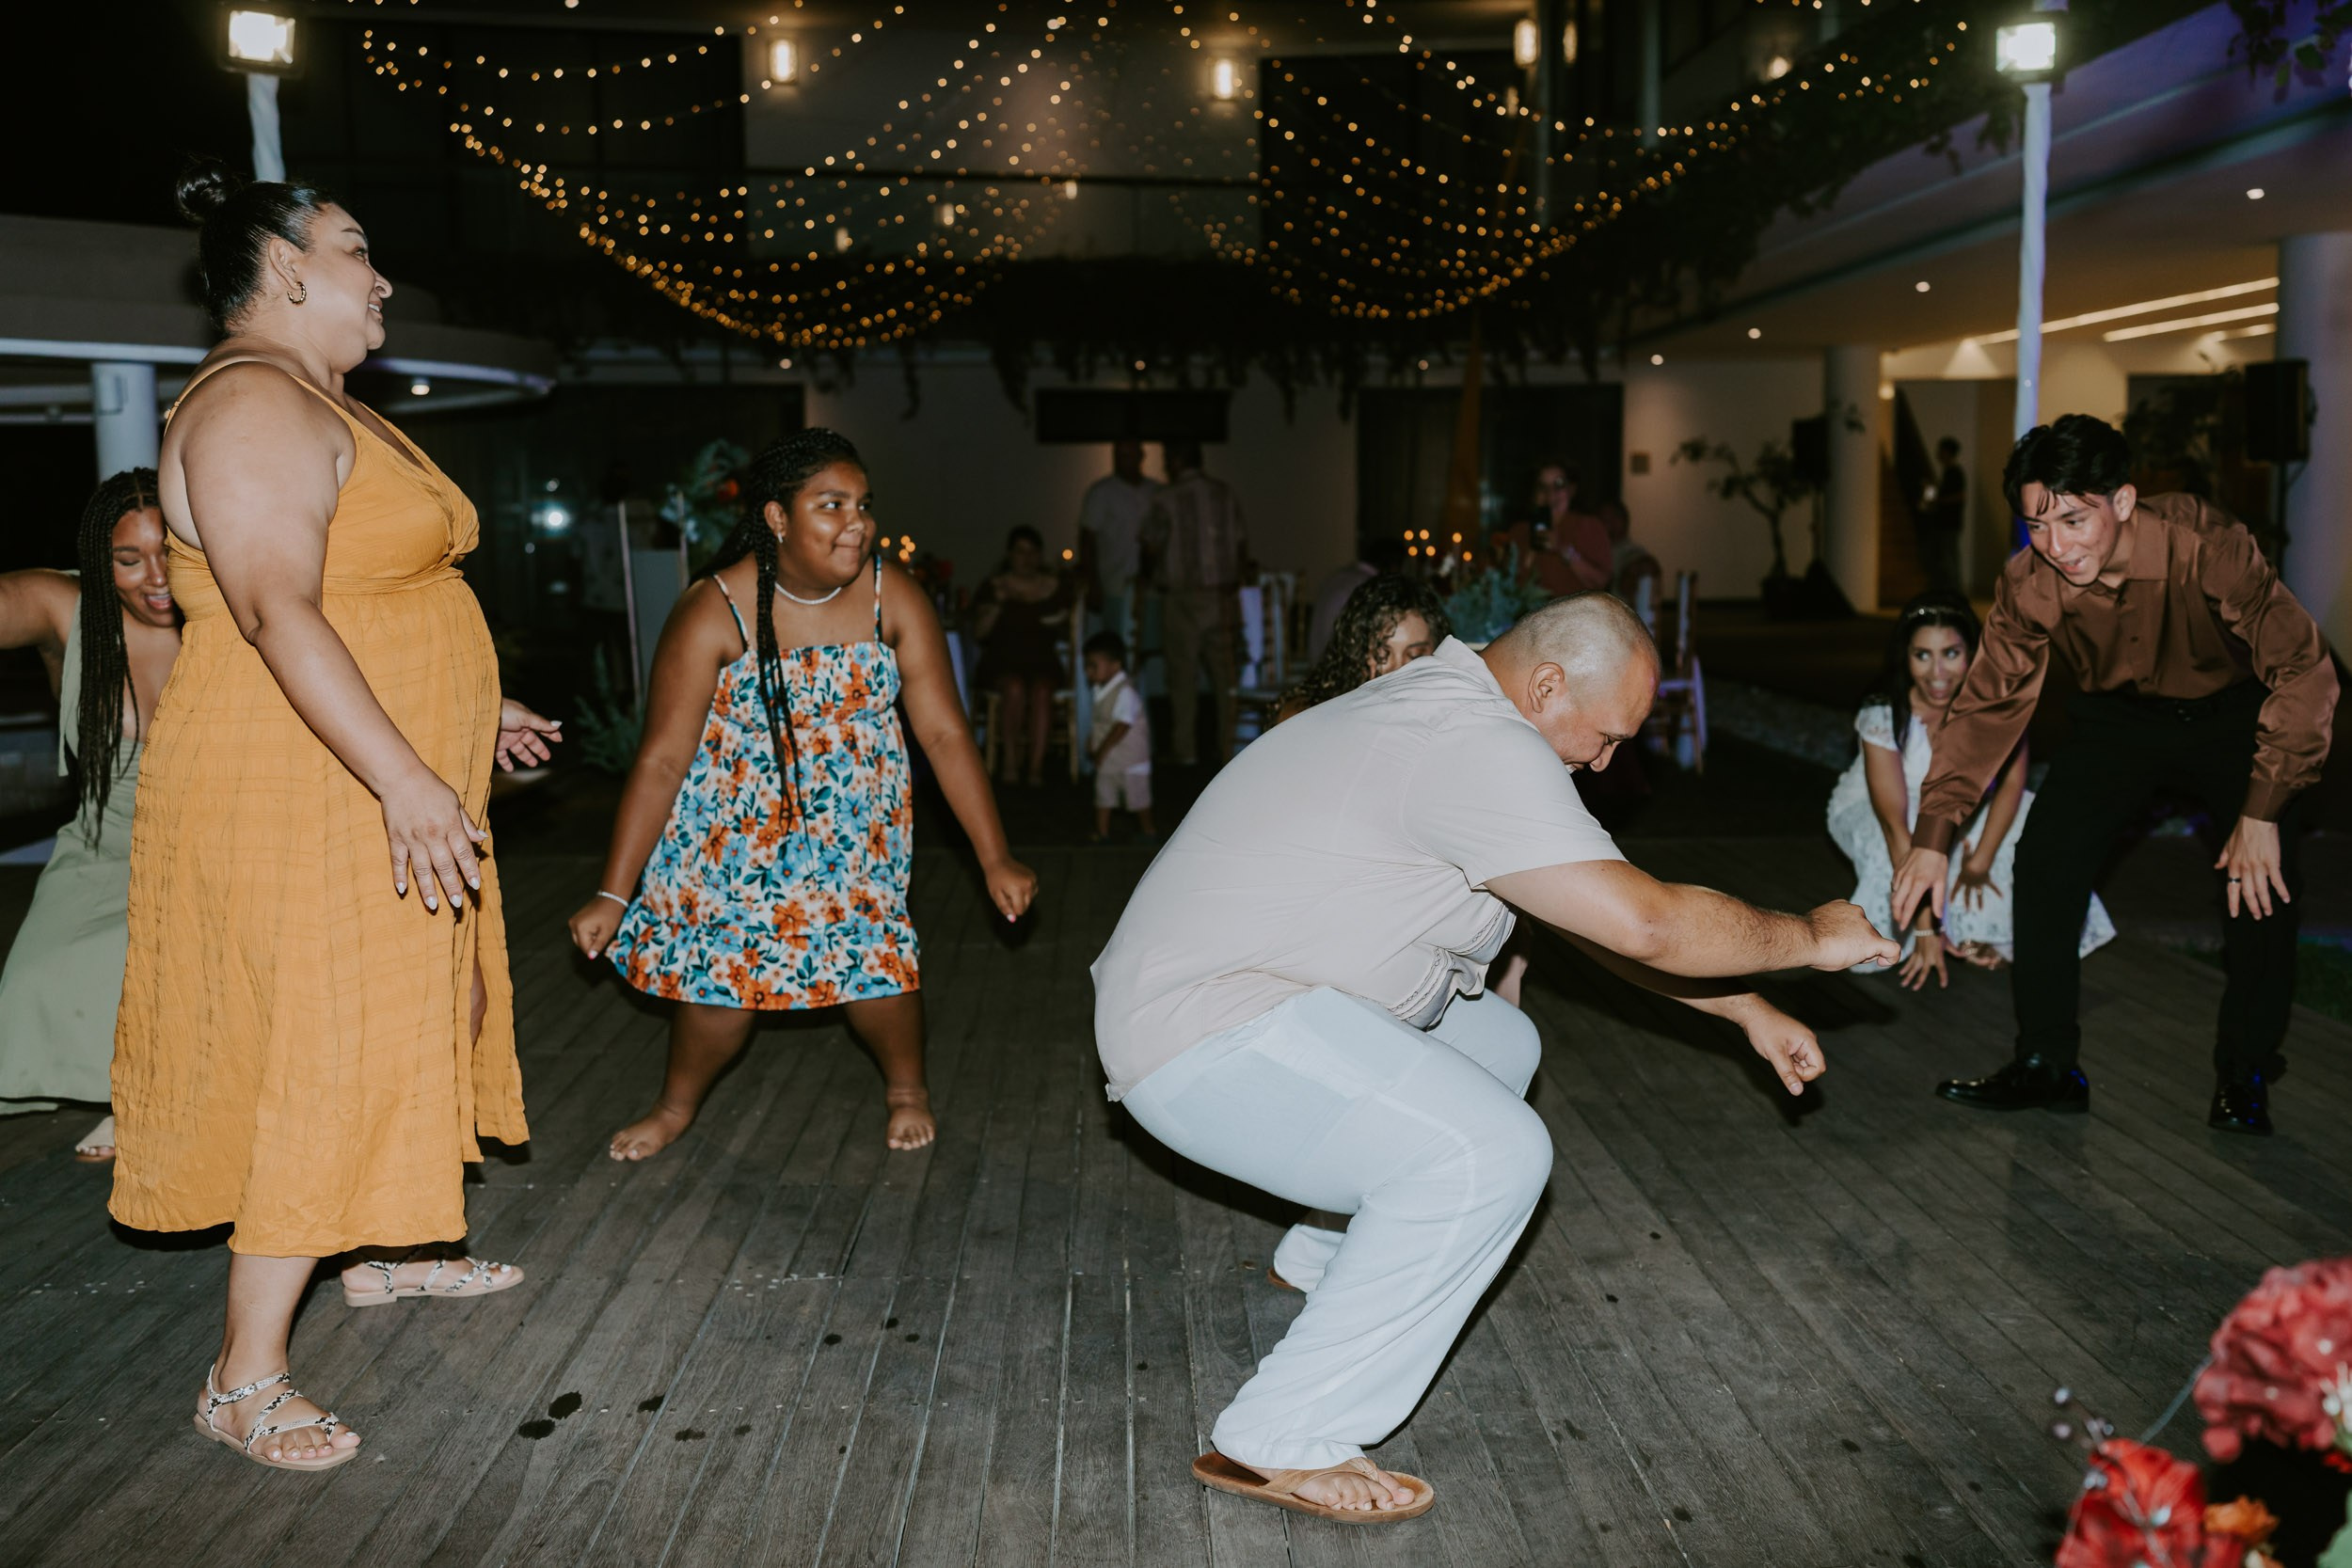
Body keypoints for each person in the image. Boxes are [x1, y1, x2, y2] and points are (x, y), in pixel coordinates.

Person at [1092, 594, 1895, 1520]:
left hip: (1244, 991)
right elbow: (1646, 921)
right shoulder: (1473, 742)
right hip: (1198, 1032)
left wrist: (1743, 1005)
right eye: (1602, 737)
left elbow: (1591, 909)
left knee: (1499, 1039)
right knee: (1490, 1151)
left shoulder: (1455, 698)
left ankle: (1325, 1252)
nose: (1606, 761)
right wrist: (1811, 933)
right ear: (1547, 683)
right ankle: (1279, 1431)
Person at [115, 160, 563, 1472]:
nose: (382, 279)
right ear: (289, 267)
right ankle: (243, 1376)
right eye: (359, 251)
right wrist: (403, 774)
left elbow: (366, 591)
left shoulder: (315, 400)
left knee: (439, 1005)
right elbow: (273, 609)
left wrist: (468, 711)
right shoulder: (254, 400)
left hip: (364, 755)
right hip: (306, 780)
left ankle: (385, 1247)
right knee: (329, 1039)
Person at [571, 429, 1038, 1164]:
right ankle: (674, 1104)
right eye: (832, 504)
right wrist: (612, 891)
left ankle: (907, 1088)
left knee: (878, 972)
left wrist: (995, 856)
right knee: (719, 996)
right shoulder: (712, 610)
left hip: (856, 838)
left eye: (863, 504)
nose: (858, 522)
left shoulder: (894, 598)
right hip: (732, 844)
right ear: (778, 518)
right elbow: (662, 760)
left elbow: (945, 736)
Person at [1890, 415, 2338, 1135]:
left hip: (2232, 717)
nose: (2057, 546)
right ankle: (2046, 1062)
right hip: (2118, 721)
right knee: (2045, 861)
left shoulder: (2204, 544)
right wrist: (1933, 834)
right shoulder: (2030, 582)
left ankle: (2246, 1064)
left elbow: (2304, 669)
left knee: (2260, 887)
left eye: (2074, 518)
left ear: (2123, 501)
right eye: (2037, 525)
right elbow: (1988, 707)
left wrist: (2261, 810)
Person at [0, 469, 179, 1163]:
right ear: (99, 564)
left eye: (169, 552)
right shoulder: (64, 607)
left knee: (164, 963)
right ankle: (125, 1091)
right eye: (128, 559)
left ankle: (146, 1099)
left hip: (212, 835)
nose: (154, 577)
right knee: (32, 986)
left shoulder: (237, 615)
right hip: (104, 838)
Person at [1828, 591, 2115, 991]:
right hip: (1886, 809)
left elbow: (2013, 782)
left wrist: (1980, 860)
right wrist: (1925, 929)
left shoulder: (1999, 705)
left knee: (2037, 837)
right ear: (1905, 657)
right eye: (1922, 655)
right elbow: (1895, 826)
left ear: (1972, 654)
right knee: (1891, 852)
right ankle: (1936, 929)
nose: (1937, 672)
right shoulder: (1883, 712)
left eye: (1951, 653)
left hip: (1971, 802)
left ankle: (1977, 924)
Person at [1141, 437, 1248, 767]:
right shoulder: (1224, 493)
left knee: (1182, 676)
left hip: (1183, 596)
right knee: (1224, 677)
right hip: (1221, 595)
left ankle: (1185, 749)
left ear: (1176, 460)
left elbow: (1150, 546)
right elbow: (1242, 544)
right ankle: (1229, 747)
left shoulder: (1165, 499)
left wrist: (1149, 577)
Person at [973, 525, 1073, 787]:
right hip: (1003, 660)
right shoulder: (994, 585)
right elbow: (979, 632)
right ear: (1010, 554)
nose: (1026, 558)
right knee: (1014, 687)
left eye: (1032, 552)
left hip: (1042, 659)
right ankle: (1009, 761)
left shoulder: (1054, 586)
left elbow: (1066, 624)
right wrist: (998, 603)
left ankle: (1036, 767)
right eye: (1020, 552)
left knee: (1042, 690)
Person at [1279, 572, 1448, 722]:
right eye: (1381, 654)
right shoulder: (1306, 716)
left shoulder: (1441, 720)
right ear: (1354, 650)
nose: (1398, 671)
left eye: (1415, 656)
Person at [1075, 439, 1156, 645]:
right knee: (1118, 643)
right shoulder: (1101, 492)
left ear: (1141, 456)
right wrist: (1093, 583)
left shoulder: (1157, 491)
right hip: (1115, 586)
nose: (1123, 461)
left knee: (1151, 644)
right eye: (1119, 456)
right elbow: (1087, 538)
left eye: (1128, 455)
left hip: (1151, 588)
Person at [1083, 629, 1153, 842]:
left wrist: (1101, 750)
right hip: (1109, 758)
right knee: (1104, 795)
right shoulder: (1100, 689)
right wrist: (1092, 742)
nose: (1088, 672)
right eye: (1087, 666)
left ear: (1115, 665)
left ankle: (1149, 831)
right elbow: (1101, 722)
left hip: (1130, 757)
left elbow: (1121, 726)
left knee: (1138, 797)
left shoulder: (1125, 692)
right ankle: (1102, 832)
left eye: (1094, 666)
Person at [1305, 537, 1406, 663]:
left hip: (1316, 661)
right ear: (1393, 565)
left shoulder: (1340, 576)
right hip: (1337, 665)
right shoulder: (1369, 588)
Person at [1531, 461, 1613, 594]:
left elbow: (1601, 582)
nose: (1551, 494)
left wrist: (1563, 549)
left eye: (1558, 485)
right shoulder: (1521, 530)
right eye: (1543, 487)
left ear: (1571, 490)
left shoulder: (1589, 526)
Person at [1915, 436, 1967, 593]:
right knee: (1944, 558)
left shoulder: (1955, 472)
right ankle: (1948, 591)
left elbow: (1960, 496)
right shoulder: (1947, 473)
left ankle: (1954, 592)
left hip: (1949, 523)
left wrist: (1938, 500)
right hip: (1944, 523)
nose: (1938, 453)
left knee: (1949, 559)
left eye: (1941, 450)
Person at [1599, 497, 1662, 613]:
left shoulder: (1630, 550)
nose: (1606, 524)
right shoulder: (1596, 549)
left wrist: (1630, 575)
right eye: (1603, 520)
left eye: (1611, 519)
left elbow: (1649, 567)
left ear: (1622, 521)